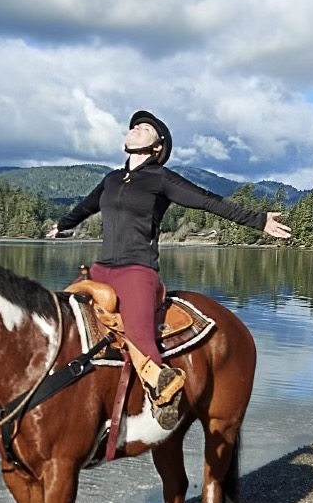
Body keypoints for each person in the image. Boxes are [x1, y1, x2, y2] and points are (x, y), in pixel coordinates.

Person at [46, 110, 291, 429]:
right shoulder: (111, 179)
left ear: (157, 146)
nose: (135, 129)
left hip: (137, 270)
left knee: (138, 331)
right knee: (57, 317)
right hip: (100, 271)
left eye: (144, 128)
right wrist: (61, 226)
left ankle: (162, 392)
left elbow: (208, 200)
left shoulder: (161, 178)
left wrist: (258, 221)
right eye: (134, 126)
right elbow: (85, 207)